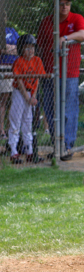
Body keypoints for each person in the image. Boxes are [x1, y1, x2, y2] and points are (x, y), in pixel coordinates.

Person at [37, 0, 84, 161]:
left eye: (67, 3)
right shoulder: (46, 22)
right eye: (61, 3)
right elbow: (40, 46)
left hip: (70, 73)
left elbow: (82, 35)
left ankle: (67, 146)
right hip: (50, 72)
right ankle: (57, 145)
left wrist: (65, 38)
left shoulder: (76, 18)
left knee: (68, 110)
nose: (64, 6)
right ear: (55, 5)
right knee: (51, 110)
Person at [8, 34, 45, 164]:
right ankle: (13, 152)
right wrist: (27, 97)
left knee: (28, 123)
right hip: (20, 93)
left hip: (31, 94)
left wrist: (33, 96)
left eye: (32, 48)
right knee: (15, 122)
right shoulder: (19, 62)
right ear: (20, 49)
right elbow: (19, 81)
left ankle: (29, 152)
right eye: (26, 48)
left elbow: (37, 80)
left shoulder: (37, 61)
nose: (30, 51)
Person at [0, 12, 19, 140]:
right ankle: (1, 130)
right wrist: (10, 49)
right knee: (4, 98)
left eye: (4, 16)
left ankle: (10, 128)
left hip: (14, 67)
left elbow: (20, 48)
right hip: (2, 66)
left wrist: (6, 48)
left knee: (14, 99)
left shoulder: (11, 30)